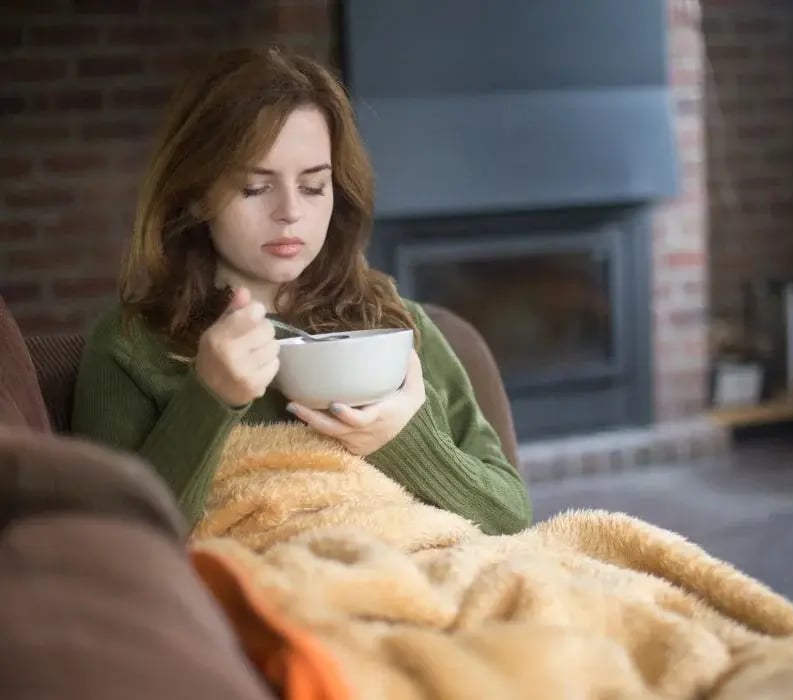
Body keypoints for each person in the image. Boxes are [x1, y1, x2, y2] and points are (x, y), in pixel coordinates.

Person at [70, 46, 531, 536]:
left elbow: (510, 515)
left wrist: (401, 440)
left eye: (313, 187)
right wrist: (209, 399)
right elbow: (113, 546)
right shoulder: (133, 346)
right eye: (255, 187)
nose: (290, 211)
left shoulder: (394, 325)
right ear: (197, 193)